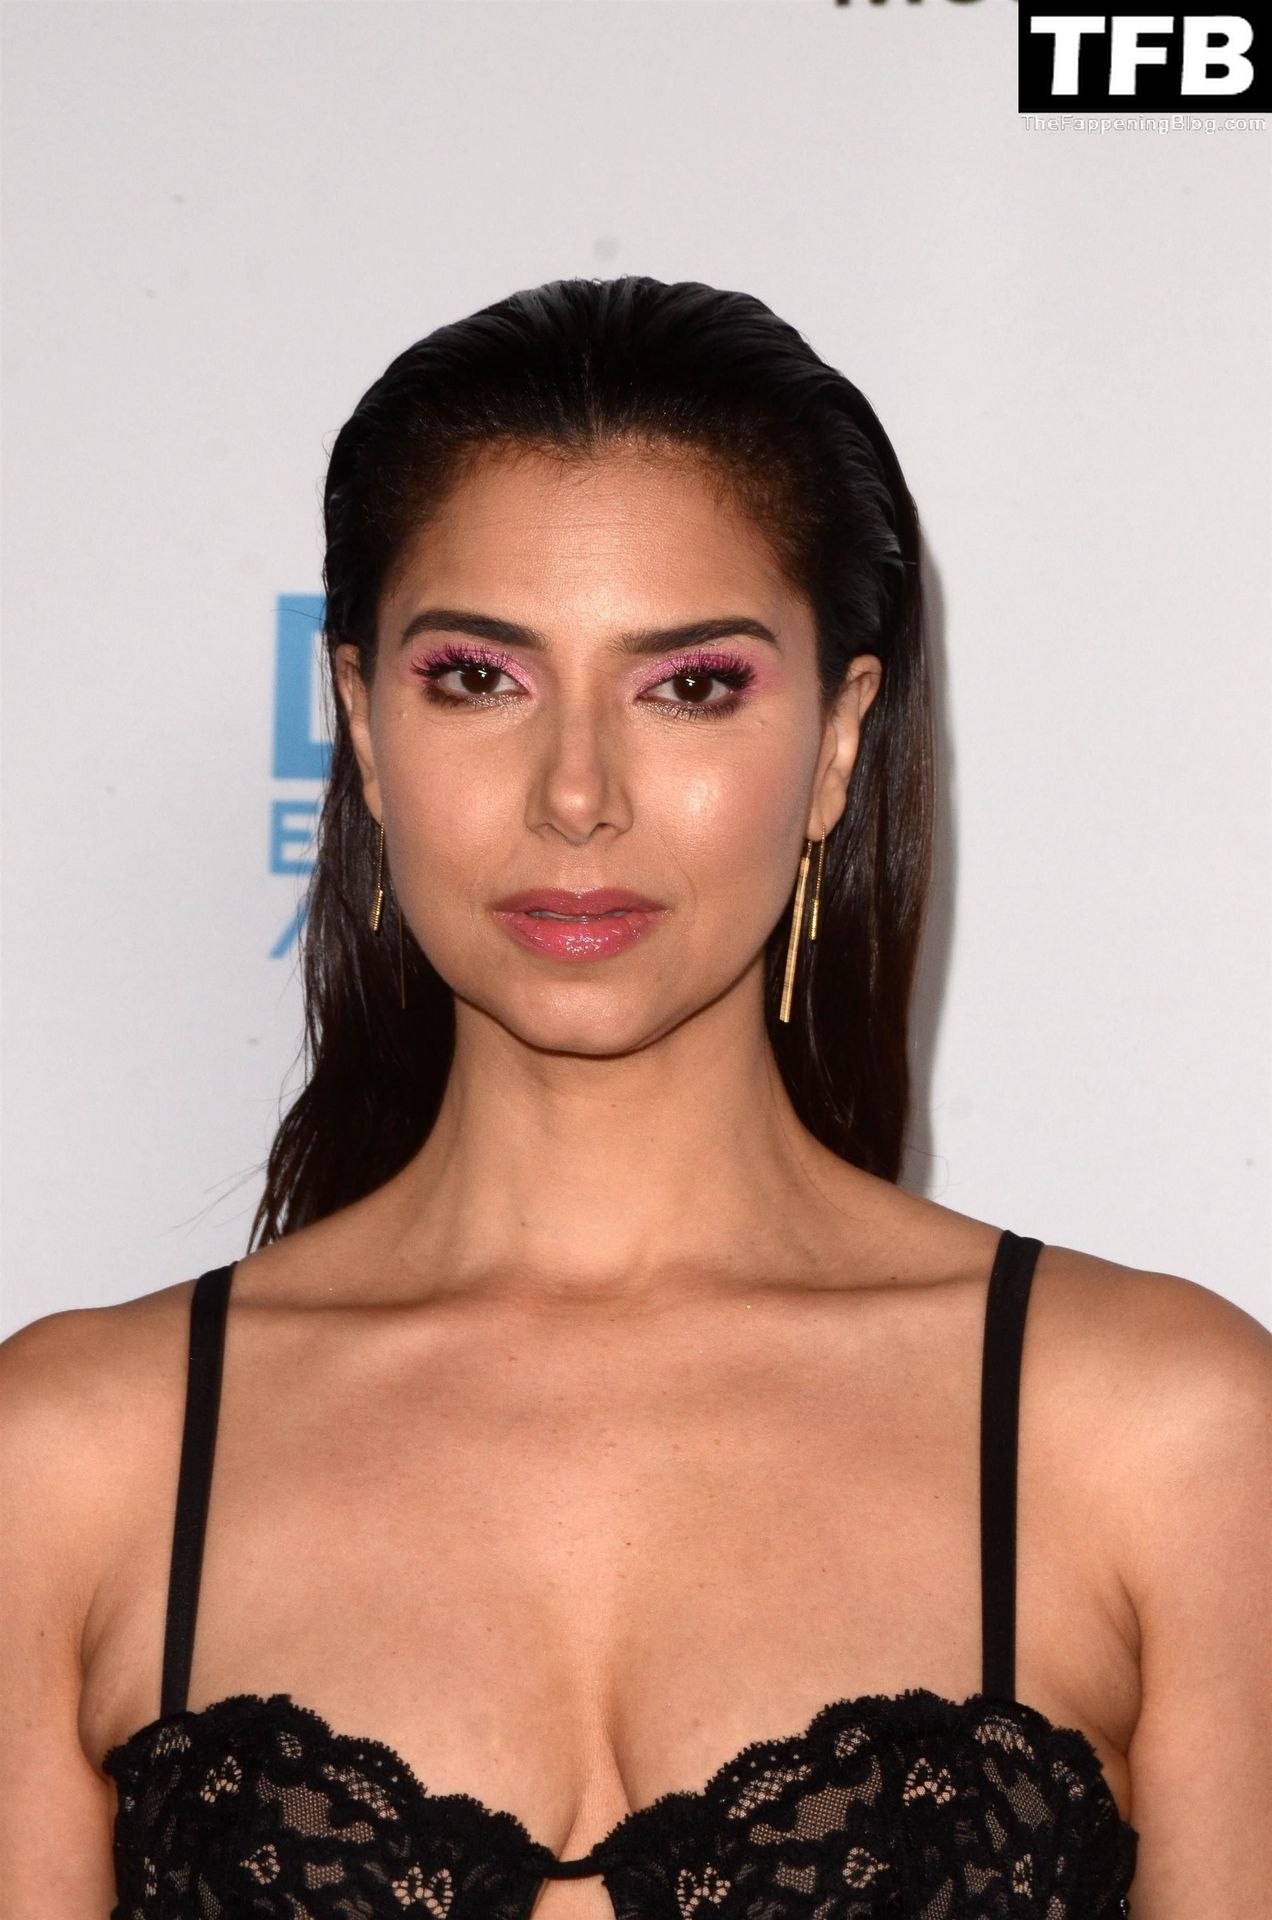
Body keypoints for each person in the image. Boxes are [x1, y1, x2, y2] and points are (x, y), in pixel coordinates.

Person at [1, 275, 1268, 1919]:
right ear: (363, 727)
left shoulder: (1163, 1439)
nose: (577, 795)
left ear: (839, 739)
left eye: (691, 686)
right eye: (479, 677)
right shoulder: (74, 1462)